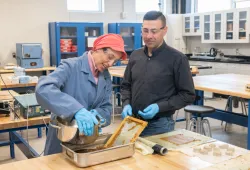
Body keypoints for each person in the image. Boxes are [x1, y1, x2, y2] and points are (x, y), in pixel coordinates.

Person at [36, 34, 127, 155]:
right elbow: (43, 89)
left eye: (115, 61)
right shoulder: (71, 66)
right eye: (110, 57)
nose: (110, 63)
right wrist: (76, 110)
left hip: (87, 140)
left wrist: (97, 115)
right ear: (97, 49)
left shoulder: (105, 76)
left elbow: (107, 108)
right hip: (64, 136)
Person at [121, 11, 195, 137]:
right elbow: (126, 85)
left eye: (154, 31)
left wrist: (159, 107)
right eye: (145, 31)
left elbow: (187, 95)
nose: (149, 36)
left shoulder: (177, 59)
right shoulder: (135, 55)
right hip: (132, 122)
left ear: (164, 30)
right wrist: (126, 103)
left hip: (159, 125)